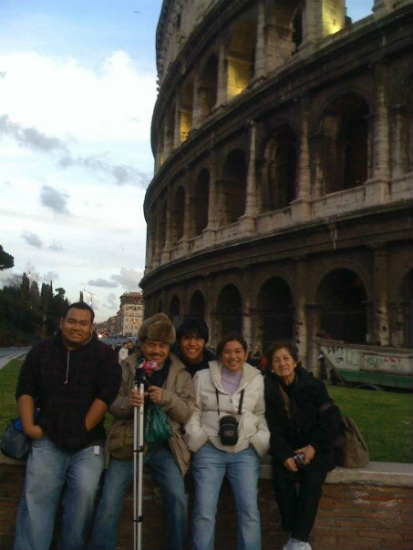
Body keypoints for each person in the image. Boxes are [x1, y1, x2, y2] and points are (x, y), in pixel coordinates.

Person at [13, 302, 121, 550]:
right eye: (72, 321)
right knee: (36, 498)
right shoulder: (41, 351)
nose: (77, 327)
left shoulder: (104, 356)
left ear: (91, 327)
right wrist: (29, 426)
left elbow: (105, 396)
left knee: (84, 496)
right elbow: (25, 389)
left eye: (83, 323)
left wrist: (81, 428)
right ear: (61, 322)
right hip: (48, 437)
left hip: (88, 442)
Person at [89, 313, 195, 550]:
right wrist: (129, 402)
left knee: (178, 498)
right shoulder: (126, 366)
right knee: (109, 500)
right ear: (142, 344)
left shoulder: (181, 373)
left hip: (164, 445)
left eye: (162, 345)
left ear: (169, 347)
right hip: (128, 440)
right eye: (151, 344)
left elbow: (187, 412)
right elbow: (111, 404)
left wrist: (166, 398)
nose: (156, 350)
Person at [185, 331, 270, 550]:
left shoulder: (257, 378)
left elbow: (260, 413)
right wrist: (197, 436)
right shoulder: (202, 377)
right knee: (204, 512)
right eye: (228, 352)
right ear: (220, 355)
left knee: (249, 511)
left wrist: (258, 439)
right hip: (209, 448)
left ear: (246, 353)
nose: (233, 356)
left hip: (244, 451)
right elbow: (195, 409)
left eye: (238, 351)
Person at [264, 342, 341, 550]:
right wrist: (284, 455)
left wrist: (313, 447)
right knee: (281, 480)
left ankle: (299, 540)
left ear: (295, 362)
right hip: (287, 448)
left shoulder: (314, 386)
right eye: (277, 360)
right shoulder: (267, 390)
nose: (282, 364)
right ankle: (294, 535)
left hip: (316, 447)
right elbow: (269, 428)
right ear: (271, 365)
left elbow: (330, 419)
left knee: (312, 483)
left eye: (286, 359)